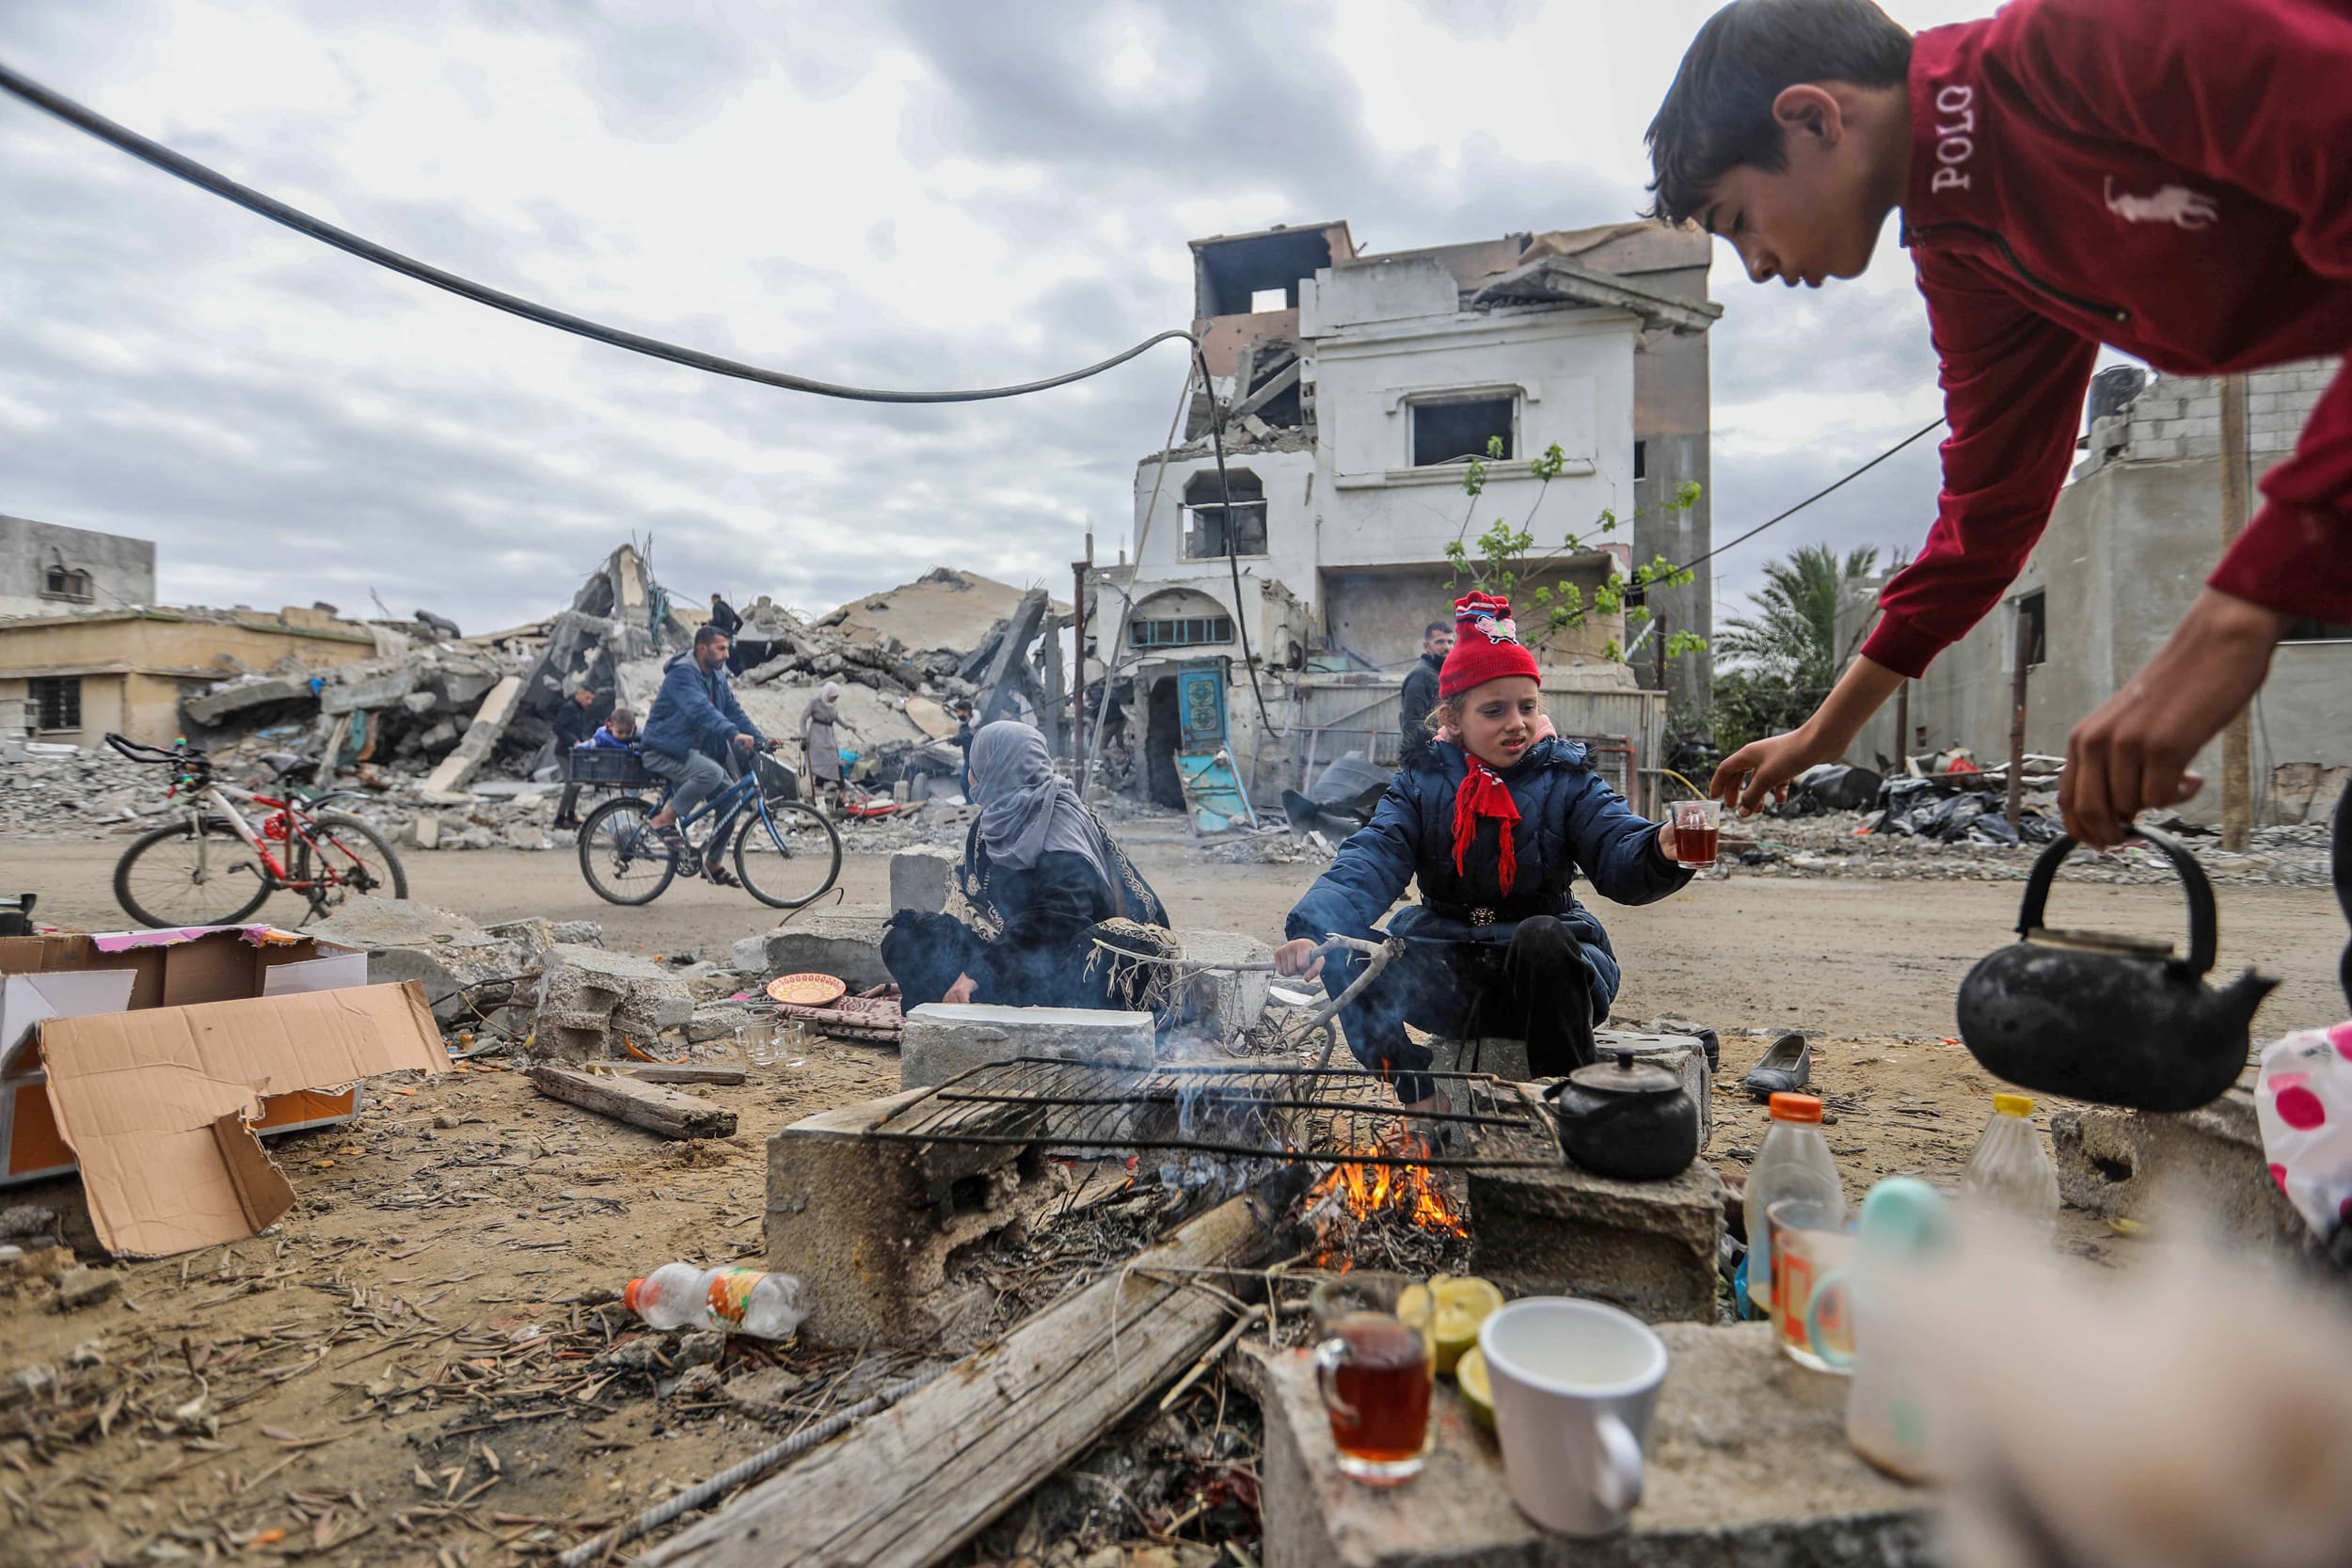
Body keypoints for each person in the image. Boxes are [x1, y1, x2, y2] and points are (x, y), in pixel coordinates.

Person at [1645, 0, 2352, 847]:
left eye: (1737, 221)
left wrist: (2238, 618)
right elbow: (1989, 511)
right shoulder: (1966, 253)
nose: (1754, 265)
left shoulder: (2085, 43)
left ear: (1811, 118)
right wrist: (1822, 733)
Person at [1274, 593, 1693, 1105]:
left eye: (1527, 707)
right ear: (1453, 717)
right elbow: (1369, 859)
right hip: (1446, 977)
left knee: (1543, 936)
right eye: (1494, 710)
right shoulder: (1419, 785)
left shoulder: (1567, 779)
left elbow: (1617, 846)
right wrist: (1312, 932)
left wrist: (1661, 847)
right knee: (1346, 950)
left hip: (1546, 981)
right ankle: (1418, 1091)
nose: (1516, 723)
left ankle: (1569, 1100)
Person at [882, 721, 1174, 1010]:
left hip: (1062, 958)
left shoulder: (1060, 821)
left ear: (999, 767)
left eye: (975, 764)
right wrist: (921, 976)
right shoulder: (989, 824)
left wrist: (976, 972)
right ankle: (952, 998)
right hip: (1006, 950)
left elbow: (1060, 916)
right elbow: (974, 911)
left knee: (1101, 971)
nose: (970, 775)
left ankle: (968, 1001)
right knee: (905, 940)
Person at [641, 625, 772, 885]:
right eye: (720, 648)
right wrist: (733, 734)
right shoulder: (682, 675)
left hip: (689, 751)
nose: (726, 655)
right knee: (710, 772)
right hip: (664, 749)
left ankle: (712, 863)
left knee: (732, 797)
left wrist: (759, 738)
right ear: (702, 648)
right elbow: (700, 710)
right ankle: (662, 820)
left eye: (727, 649)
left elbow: (734, 711)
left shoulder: (717, 676)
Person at [552, 705, 637, 831]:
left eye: (627, 733)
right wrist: (579, 746)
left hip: (613, 766)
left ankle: (570, 815)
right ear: (610, 726)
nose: (623, 736)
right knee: (571, 785)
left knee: (575, 786)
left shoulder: (631, 737)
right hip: (564, 753)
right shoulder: (602, 736)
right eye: (620, 733)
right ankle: (560, 818)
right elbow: (589, 742)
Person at [1398, 619, 1455, 768]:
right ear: (1426, 646)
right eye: (1440, 642)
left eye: (1450, 642)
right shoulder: (1421, 676)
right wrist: (1440, 744)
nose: (1447, 647)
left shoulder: (1443, 674)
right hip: (1427, 762)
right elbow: (1412, 724)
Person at [799, 681, 863, 807]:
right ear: (827, 693)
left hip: (828, 735)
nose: (834, 699)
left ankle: (822, 788)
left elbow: (835, 717)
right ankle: (840, 791)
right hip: (817, 737)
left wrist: (847, 726)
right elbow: (803, 719)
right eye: (833, 697)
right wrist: (804, 736)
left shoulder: (830, 705)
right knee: (828, 762)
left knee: (833, 761)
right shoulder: (815, 702)